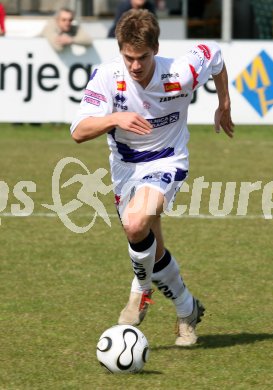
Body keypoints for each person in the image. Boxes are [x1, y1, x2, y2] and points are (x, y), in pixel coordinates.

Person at [70, 9, 234, 346]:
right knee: (151, 245)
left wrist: (225, 103)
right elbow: (78, 130)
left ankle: (140, 291)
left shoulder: (180, 71)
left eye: (142, 57)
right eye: (128, 57)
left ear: (155, 49)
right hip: (125, 168)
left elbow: (215, 55)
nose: (135, 66)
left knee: (134, 225)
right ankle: (187, 310)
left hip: (167, 159)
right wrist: (115, 118)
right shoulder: (106, 76)